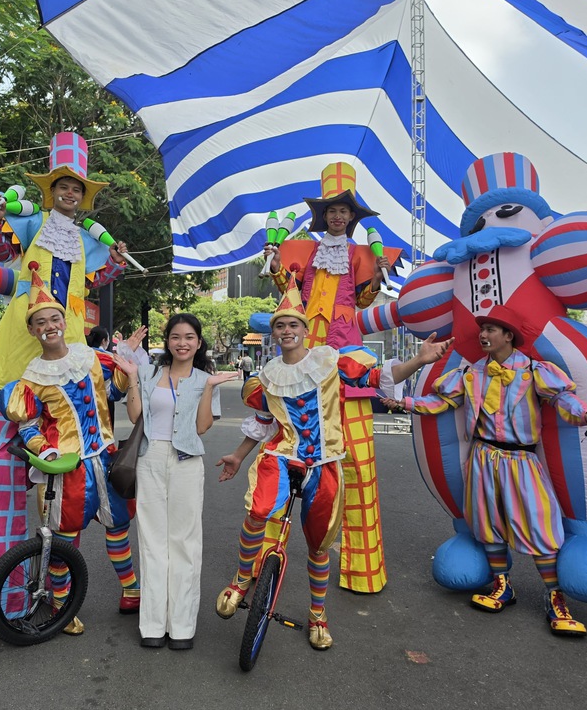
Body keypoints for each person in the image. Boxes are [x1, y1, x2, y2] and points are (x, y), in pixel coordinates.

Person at [215, 277, 451, 649]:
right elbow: (264, 422)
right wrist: (237, 455)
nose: (287, 330)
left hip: (324, 462)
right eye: (280, 325)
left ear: (305, 331)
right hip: (282, 455)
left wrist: (420, 359)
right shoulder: (267, 377)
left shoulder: (329, 362)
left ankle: (318, 616)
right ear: (273, 334)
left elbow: (377, 379)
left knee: (319, 545)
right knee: (258, 511)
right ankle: (241, 579)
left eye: (294, 324)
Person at [0, 132, 134, 624]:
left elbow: (94, 281)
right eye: (62, 186)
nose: (70, 194)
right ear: (50, 191)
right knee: (0, 481)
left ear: (84, 196)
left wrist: (114, 262)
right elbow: (0, 246)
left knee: (70, 493)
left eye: (77, 188)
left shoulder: (84, 240)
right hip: (19, 346)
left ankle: (57, 589)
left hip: (68, 352)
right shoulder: (32, 221)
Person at [381, 305, 587, 637]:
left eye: (490, 330)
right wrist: (406, 404)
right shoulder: (471, 374)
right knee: (488, 523)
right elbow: (441, 402)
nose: (483, 335)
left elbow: (564, 400)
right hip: (483, 457)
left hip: (522, 460)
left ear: (508, 336)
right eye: (482, 329)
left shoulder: (534, 371)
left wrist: (586, 416)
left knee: (538, 524)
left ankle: (555, 598)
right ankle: (502, 586)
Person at [264, 161, 393, 594]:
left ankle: (362, 570)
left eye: (345, 211)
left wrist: (376, 276)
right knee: (283, 458)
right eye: (332, 210)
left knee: (357, 465)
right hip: (302, 368)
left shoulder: (363, 255)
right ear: (322, 216)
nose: (338, 216)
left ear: (353, 217)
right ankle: (262, 567)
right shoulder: (301, 251)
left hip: (347, 364)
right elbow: (286, 294)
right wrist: (275, 261)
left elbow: (365, 297)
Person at [0, 264, 140, 635]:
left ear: (63, 320)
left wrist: (127, 366)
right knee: (64, 538)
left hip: (106, 460)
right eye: (40, 322)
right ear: (32, 330)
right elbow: (27, 426)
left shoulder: (90, 357)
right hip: (67, 469)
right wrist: (44, 452)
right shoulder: (31, 378)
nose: (49, 326)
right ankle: (61, 604)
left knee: (118, 528)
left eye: (54, 318)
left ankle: (131, 589)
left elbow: (113, 394)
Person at [120, 314, 238, 650]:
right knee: (152, 541)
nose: (182, 343)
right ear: (167, 341)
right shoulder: (147, 373)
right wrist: (131, 378)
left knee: (185, 542)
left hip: (187, 462)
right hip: (148, 458)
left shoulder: (205, 379)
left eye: (189, 337)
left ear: (198, 342)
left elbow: (201, 427)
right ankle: (153, 625)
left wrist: (209, 389)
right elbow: (134, 417)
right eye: (175, 337)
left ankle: (182, 627)